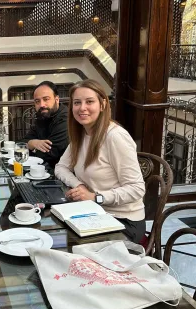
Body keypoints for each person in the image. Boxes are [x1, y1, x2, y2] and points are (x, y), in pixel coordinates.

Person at [54, 80, 146, 243]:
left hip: (124, 223)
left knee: (68, 245)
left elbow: (137, 189)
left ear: (103, 104)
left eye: (89, 101)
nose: (82, 108)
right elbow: (61, 167)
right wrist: (79, 186)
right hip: (95, 213)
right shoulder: (81, 134)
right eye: (77, 103)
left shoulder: (115, 137)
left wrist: (95, 197)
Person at [22, 81, 69, 168]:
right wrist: (32, 143)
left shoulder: (66, 119)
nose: (42, 105)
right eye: (37, 101)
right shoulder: (43, 115)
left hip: (62, 173)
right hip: (44, 169)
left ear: (57, 99)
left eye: (46, 99)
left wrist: (32, 147)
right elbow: (22, 142)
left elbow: (51, 153)